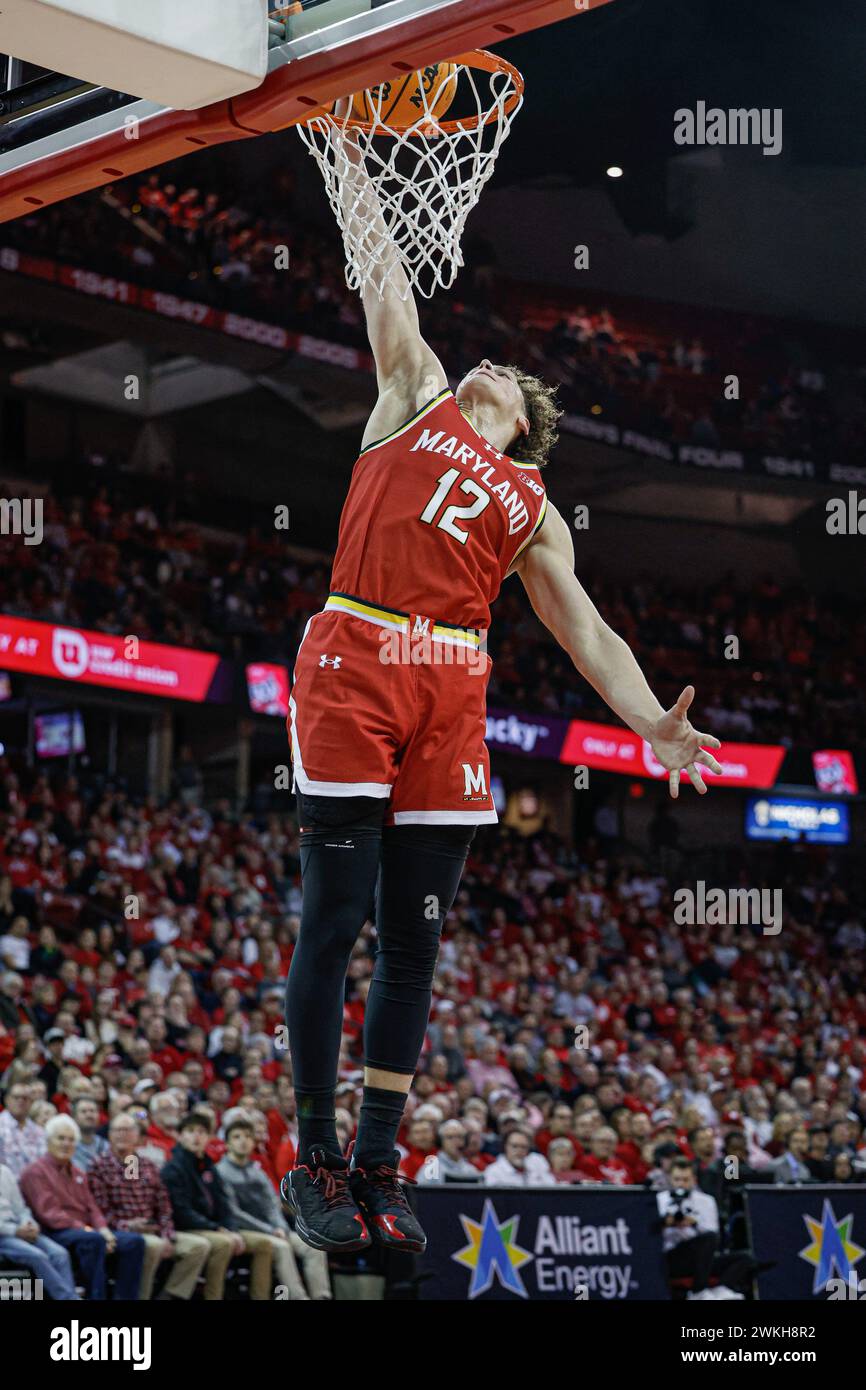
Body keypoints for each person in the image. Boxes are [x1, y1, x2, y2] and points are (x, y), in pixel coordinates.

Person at [281, 103, 723, 1257]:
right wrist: (348, 155)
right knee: (332, 920)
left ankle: (381, 1160)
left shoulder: (531, 506)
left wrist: (646, 725)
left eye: (511, 380)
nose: (490, 364)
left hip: (450, 690)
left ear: (525, 431)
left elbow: (584, 630)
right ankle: (315, 1153)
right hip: (356, 654)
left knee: (412, 939)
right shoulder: (412, 391)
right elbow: (380, 274)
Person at [19, 1115, 144, 1300]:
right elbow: (50, 1215)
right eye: (61, 1138)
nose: (66, 1144)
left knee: (134, 1242)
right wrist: (90, 1230)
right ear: (48, 1141)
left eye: (71, 1140)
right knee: (93, 1240)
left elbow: (92, 1206)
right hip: (55, 1232)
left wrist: (104, 1230)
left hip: (87, 1231)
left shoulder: (78, 1172)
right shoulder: (35, 1172)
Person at [88, 1113, 209, 1302]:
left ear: (137, 1135)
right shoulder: (98, 1165)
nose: (123, 1135)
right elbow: (100, 1210)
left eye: (128, 1130)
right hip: (122, 1231)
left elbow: (164, 1205)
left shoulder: (148, 1165)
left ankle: (169, 1295)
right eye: (118, 1130)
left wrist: (167, 1233)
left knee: (198, 1246)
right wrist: (129, 1226)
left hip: (154, 1229)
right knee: (151, 1245)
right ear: (109, 1135)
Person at [160, 1112, 272, 1300]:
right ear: (179, 1136)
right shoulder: (173, 1168)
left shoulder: (209, 1165)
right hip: (187, 1228)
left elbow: (224, 1204)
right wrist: (218, 1228)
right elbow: (181, 1212)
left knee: (264, 1244)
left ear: (209, 1138)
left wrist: (231, 1229)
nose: (196, 1136)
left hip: (213, 1228)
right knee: (223, 1243)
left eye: (202, 1132)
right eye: (190, 1131)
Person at [216, 1116, 330, 1300]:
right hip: (241, 1230)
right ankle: (298, 1298)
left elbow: (272, 1204)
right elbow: (234, 1213)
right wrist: (271, 1230)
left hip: (274, 1229)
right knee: (282, 1247)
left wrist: (281, 1227)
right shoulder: (220, 1172)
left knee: (313, 1246)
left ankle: (322, 1296)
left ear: (253, 1141)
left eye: (247, 1136)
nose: (243, 1141)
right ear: (227, 1143)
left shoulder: (257, 1171)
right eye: (237, 1137)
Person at [0, 1160, 80, 1300]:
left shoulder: (5, 1172)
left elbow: (21, 1208)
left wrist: (29, 1223)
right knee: (37, 1255)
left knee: (59, 1253)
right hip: (4, 1235)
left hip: (20, 1227)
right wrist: (15, 1231)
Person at [657, 1156, 721, 1299]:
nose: (681, 1184)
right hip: (671, 1257)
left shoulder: (707, 1201)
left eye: (685, 1180)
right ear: (670, 1179)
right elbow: (648, 1234)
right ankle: (699, 1291)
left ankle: (720, 1289)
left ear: (693, 1179)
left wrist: (694, 1223)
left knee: (744, 1259)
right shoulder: (659, 1200)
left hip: (700, 1255)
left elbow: (714, 1234)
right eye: (677, 1179)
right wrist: (665, 1223)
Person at [0, 1081, 48, 1177]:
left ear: (31, 1102)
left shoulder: (39, 1131)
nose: (20, 1101)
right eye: (16, 1097)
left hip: (35, 1186)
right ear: (6, 1100)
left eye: (25, 1098)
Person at [416, 1119, 483, 1184]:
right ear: (441, 1141)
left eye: (459, 1137)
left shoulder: (471, 1171)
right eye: (450, 1137)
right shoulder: (430, 1170)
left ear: (465, 1141)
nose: (456, 1141)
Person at [483, 1130, 555, 1188]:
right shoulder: (494, 1171)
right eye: (515, 1146)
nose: (519, 1150)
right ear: (505, 1147)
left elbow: (551, 1188)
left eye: (523, 1147)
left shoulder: (537, 1164)